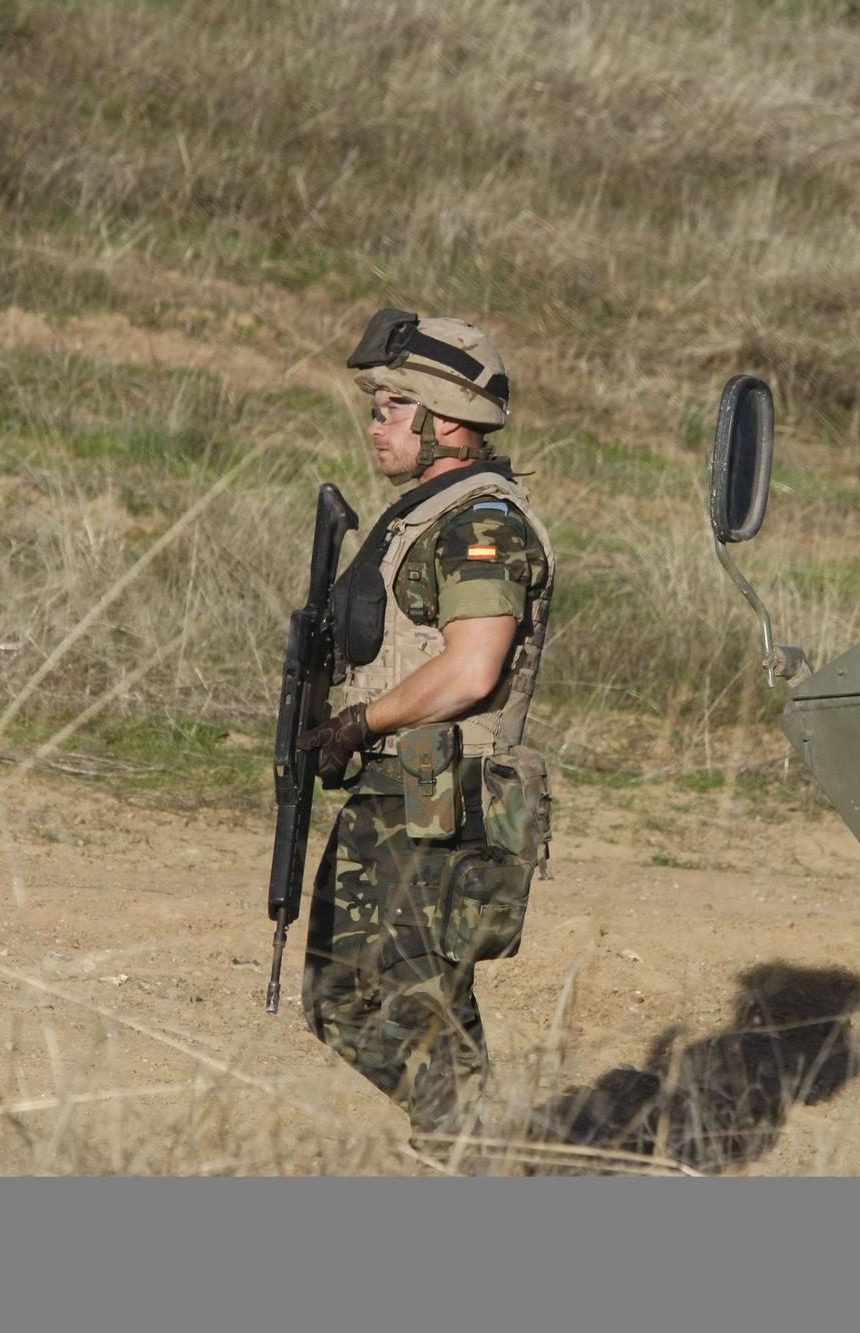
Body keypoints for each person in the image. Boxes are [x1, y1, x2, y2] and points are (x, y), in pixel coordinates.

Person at [296, 310, 555, 1139]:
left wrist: (359, 720)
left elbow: (473, 667)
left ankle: (471, 1148)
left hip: (447, 801)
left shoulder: (482, 523)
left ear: (445, 422)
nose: (374, 424)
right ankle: (473, 1137)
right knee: (339, 998)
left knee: (414, 1002)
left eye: (388, 407)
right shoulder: (424, 514)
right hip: (399, 794)